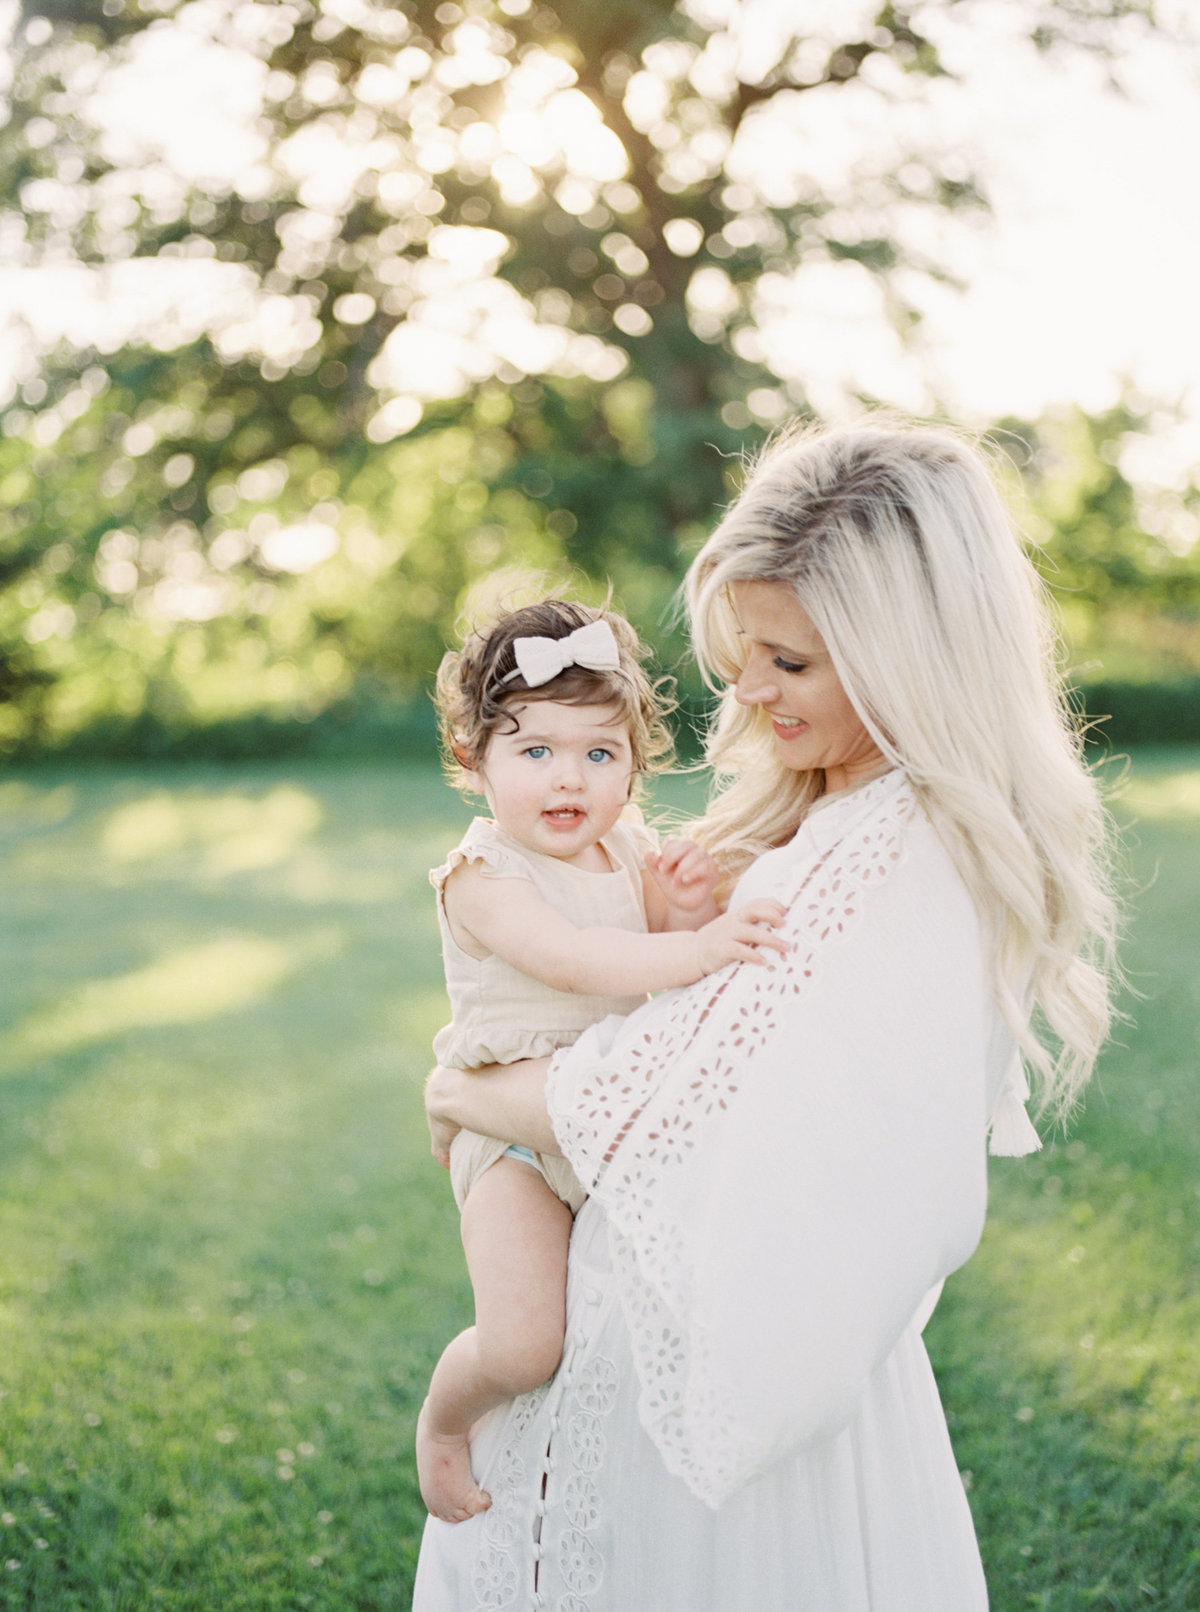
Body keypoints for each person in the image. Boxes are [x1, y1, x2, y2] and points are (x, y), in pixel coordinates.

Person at [415, 420, 1119, 1610]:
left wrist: (464, 1089)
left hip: (716, 1387)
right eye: (747, 651)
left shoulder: (886, 857)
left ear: (911, 666)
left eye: (787, 663)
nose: (743, 689)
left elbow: (660, 1099)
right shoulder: (824, 816)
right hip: (639, 1340)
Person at [418, 599, 787, 1524]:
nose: (567, 778)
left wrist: (685, 911)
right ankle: (444, 1421)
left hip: (610, 1120)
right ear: (475, 762)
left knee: (631, 1339)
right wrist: (701, 950)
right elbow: (576, 961)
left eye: (599, 752)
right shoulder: (483, 877)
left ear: (633, 763)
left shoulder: (626, 848)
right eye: (533, 751)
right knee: (524, 1344)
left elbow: (649, 952)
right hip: (511, 1135)